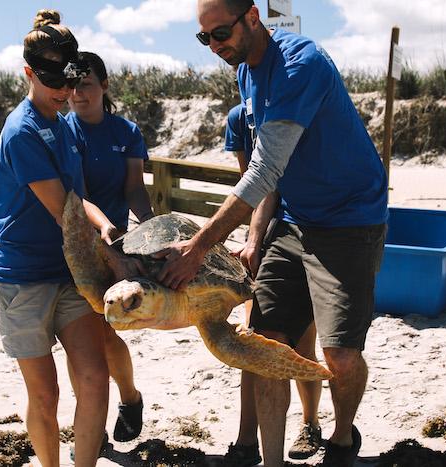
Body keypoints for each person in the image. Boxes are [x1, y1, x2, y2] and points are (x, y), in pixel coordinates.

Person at [155, 1, 388, 466]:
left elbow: (263, 170)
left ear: (253, 17)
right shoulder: (245, 71)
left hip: (349, 222)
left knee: (339, 354)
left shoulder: (301, 65)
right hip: (293, 220)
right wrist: (255, 238)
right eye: (206, 38)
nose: (215, 46)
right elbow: (270, 180)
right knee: (263, 344)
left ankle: (342, 438)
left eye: (221, 33)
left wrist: (199, 246)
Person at [0, 10, 143, 467]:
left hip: (70, 274)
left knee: (94, 379)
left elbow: (78, 200)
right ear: (28, 73)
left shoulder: (61, 124)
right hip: (24, 280)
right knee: (46, 394)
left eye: (70, 78)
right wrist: (116, 262)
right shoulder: (22, 132)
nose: (65, 90)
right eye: (53, 80)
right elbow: (64, 214)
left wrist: (107, 228)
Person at [224, 103, 322, 465]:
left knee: (301, 345)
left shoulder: (299, 106)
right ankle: (247, 439)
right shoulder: (238, 120)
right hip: (263, 237)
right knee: (257, 342)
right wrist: (254, 242)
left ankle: (310, 424)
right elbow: (253, 184)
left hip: (304, 233)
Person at [65, 51, 154, 443]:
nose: (77, 93)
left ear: (104, 85)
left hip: (116, 245)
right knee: (79, 341)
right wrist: (100, 230)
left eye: (85, 84)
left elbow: (134, 187)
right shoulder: (63, 131)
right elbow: (74, 196)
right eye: (71, 86)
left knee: (104, 334)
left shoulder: (126, 132)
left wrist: (152, 232)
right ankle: (94, 425)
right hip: (75, 247)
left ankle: (130, 398)